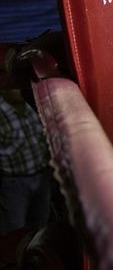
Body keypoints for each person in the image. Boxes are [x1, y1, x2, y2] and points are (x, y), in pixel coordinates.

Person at [0, 88, 51, 235]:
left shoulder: (31, 105)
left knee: (40, 225)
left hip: (42, 177)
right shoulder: (2, 111)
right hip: (15, 183)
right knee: (14, 228)